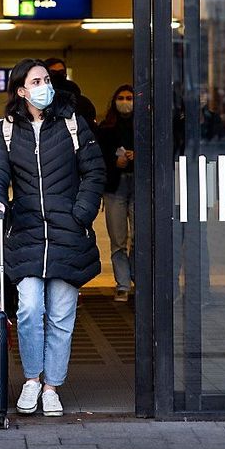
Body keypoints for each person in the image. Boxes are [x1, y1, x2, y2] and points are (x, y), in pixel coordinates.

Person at [0, 58, 105, 418]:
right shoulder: (5, 130)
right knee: (30, 309)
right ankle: (32, 379)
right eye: (36, 81)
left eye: (47, 80)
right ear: (21, 91)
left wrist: (80, 213)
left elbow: (95, 170)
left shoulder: (72, 123)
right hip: (27, 231)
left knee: (62, 315)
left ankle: (53, 386)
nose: (44, 86)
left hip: (68, 233)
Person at [97, 84, 136, 301]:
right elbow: (99, 158)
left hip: (139, 185)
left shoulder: (144, 126)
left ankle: (138, 278)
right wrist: (115, 161)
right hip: (115, 187)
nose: (125, 101)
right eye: (120, 97)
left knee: (140, 236)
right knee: (118, 238)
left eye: (129, 97)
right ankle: (122, 283)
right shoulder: (106, 128)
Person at [44, 57, 97, 129]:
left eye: (61, 72)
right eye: (53, 72)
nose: (58, 75)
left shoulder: (81, 101)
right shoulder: (38, 100)